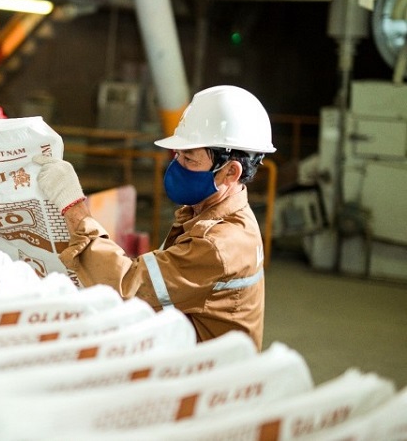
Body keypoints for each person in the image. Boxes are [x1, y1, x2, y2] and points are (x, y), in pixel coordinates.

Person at [34, 85, 276, 350]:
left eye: (189, 159)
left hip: (204, 370)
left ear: (230, 172)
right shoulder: (217, 213)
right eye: (177, 155)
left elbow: (128, 287)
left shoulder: (218, 243)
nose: (177, 166)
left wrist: (72, 206)